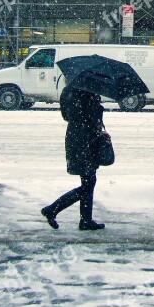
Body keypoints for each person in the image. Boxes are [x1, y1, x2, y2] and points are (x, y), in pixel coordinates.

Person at [41, 87, 105, 231]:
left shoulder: (68, 91)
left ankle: (85, 220)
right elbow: (93, 117)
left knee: (88, 179)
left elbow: (66, 115)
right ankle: (52, 209)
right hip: (86, 140)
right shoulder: (88, 93)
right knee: (88, 182)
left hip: (74, 136)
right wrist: (98, 106)